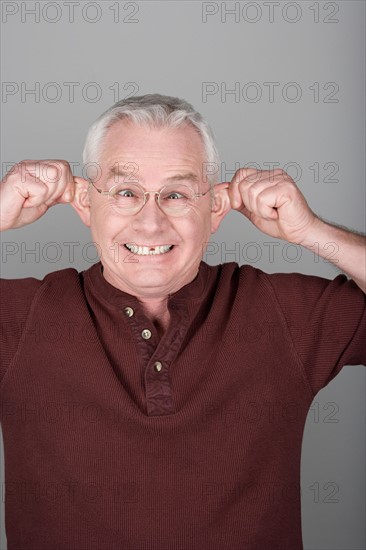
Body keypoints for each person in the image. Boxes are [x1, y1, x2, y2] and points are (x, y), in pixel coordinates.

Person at [0, 94, 365, 550]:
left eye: (176, 194)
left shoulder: (282, 314)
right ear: (85, 205)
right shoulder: (21, 319)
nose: (150, 223)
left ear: (214, 210)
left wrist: (310, 231)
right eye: (126, 192)